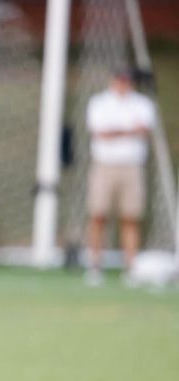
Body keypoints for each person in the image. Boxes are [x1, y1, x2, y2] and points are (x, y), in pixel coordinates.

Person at [85, 67, 156, 286]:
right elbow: (101, 133)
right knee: (98, 214)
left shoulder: (142, 103)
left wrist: (118, 131)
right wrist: (129, 131)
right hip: (104, 165)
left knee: (131, 217)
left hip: (132, 166)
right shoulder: (99, 102)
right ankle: (95, 265)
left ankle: (130, 266)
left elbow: (145, 130)